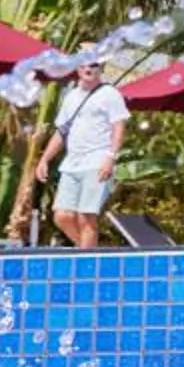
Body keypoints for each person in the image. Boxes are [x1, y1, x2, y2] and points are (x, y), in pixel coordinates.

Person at [38, 61, 130, 249]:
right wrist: (44, 159)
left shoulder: (110, 94)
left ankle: (87, 260)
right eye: (83, 64)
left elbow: (119, 128)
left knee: (86, 217)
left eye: (93, 65)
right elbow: (61, 132)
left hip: (97, 162)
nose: (88, 69)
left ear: (101, 68)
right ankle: (90, 253)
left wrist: (110, 157)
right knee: (62, 216)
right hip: (71, 164)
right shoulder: (71, 96)